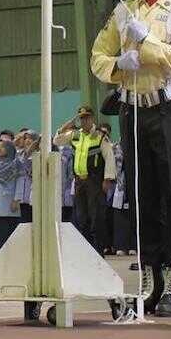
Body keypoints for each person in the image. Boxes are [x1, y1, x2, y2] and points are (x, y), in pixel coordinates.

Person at [92, 0, 171, 318]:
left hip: (167, 111)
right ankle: (149, 281)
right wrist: (118, 66)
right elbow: (97, 57)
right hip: (132, 109)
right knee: (141, 195)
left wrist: (148, 45)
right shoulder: (122, 12)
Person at [55, 106, 116, 256]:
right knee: (82, 218)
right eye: (81, 118)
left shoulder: (100, 136)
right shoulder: (75, 135)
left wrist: (107, 179)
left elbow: (109, 158)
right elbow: (56, 140)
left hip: (95, 182)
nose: (84, 121)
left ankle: (98, 251)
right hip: (80, 183)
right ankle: (86, 253)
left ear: (92, 118)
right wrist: (64, 127)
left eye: (87, 117)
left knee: (96, 218)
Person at [0, 139, 26, 255]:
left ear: (10, 149)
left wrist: (17, 199)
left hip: (8, 199)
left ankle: (8, 253)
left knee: (6, 226)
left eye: (3, 147)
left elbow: (20, 182)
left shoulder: (16, 164)